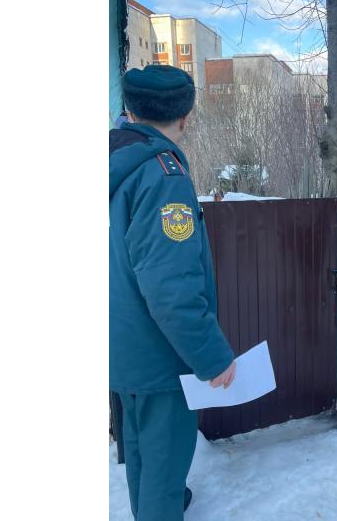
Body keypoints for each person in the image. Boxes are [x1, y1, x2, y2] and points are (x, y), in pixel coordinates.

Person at [109, 65, 237, 519]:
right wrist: (212, 357)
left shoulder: (116, 164)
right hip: (158, 358)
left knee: (142, 455)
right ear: (184, 118)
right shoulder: (163, 178)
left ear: (130, 112)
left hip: (122, 347)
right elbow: (171, 287)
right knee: (163, 466)